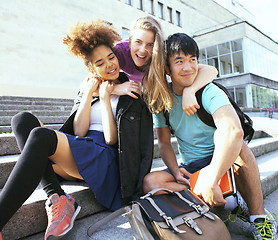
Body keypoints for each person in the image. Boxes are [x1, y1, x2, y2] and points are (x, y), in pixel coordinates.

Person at [0, 20, 153, 240]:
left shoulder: (131, 92)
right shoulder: (88, 88)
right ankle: (58, 198)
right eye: (100, 63)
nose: (109, 65)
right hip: (81, 149)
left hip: (104, 159)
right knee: (22, 119)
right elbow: (79, 132)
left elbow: (111, 139)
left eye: (111, 57)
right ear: (91, 68)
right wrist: (90, 94)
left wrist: (108, 95)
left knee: (41, 137)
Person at [143, 33, 277, 240]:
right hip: (193, 165)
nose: (188, 67)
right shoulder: (163, 101)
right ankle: (228, 200)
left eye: (192, 60)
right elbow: (163, 142)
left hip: (222, 159)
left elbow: (233, 130)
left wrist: (212, 176)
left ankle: (259, 217)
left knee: (239, 146)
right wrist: (175, 170)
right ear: (168, 69)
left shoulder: (208, 91)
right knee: (152, 182)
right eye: (179, 61)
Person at [85, 15, 218, 115]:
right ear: (130, 41)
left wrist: (190, 90)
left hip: (150, 87)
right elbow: (86, 87)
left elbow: (211, 70)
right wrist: (117, 89)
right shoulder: (119, 53)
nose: (143, 50)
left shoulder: (160, 55)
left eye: (150, 44)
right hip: (128, 89)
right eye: (138, 42)